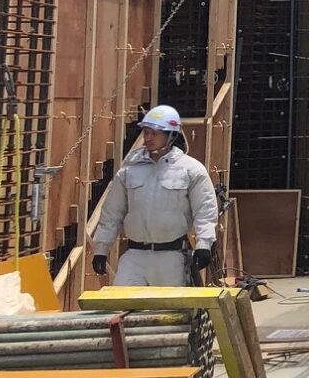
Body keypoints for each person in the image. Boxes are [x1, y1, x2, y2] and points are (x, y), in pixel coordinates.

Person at [90, 106, 220, 287]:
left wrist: (204, 245)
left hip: (172, 259)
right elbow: (112, 213)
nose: (148, 138)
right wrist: (101, 249)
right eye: (146, 132)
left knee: (170, 305)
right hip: (134, 257)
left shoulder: (191, 170)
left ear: (171, 135)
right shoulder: (129, 170)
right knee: (121, 302)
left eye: (155, 133)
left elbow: (205, 211)